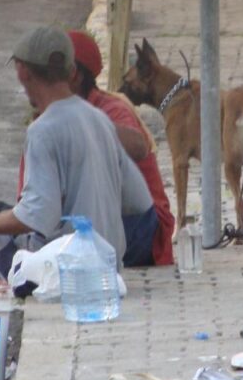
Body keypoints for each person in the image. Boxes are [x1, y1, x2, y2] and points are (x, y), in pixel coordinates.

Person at [0, 25, 153, 278]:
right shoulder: (99, 119)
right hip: (108, 264)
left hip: (63, 268)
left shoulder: (43, 129)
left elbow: (37, 214)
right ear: (71, 72)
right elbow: (139, 201)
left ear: (22, 71)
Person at [66, 30, 174, 267]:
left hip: (144, 229)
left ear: (73, 75)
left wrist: (79, 123)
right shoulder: (48, 117)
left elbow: (137, 145)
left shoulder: (113, 109)